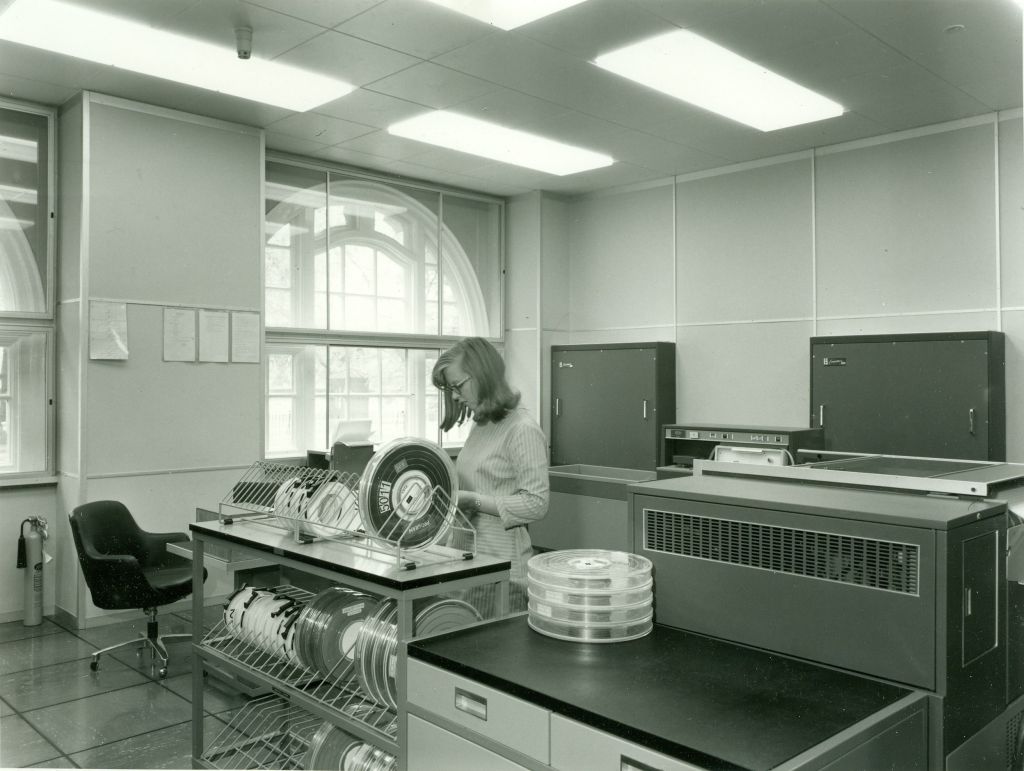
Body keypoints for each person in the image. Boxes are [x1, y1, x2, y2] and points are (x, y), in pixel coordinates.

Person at [432, 337, 549, 613]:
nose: (455, 396)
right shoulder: (482, 425)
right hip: (469, 564)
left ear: (483, 375)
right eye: (450, 389)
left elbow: (537, 503)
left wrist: (472, 501)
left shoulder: (522, 429)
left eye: (458, 386)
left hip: (502, 573)